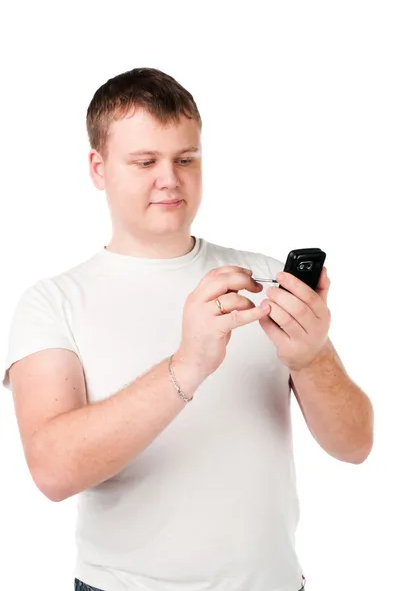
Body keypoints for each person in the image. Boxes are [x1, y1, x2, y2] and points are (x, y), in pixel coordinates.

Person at [2, 67, 373, 591]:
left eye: (185, 159)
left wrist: (311, 358)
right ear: (98, 168)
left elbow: (356, 445)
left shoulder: (265, 279)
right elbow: (53, 471)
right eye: (145, 161)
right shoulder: (52, 302)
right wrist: (187, 365)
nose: (169, 179)